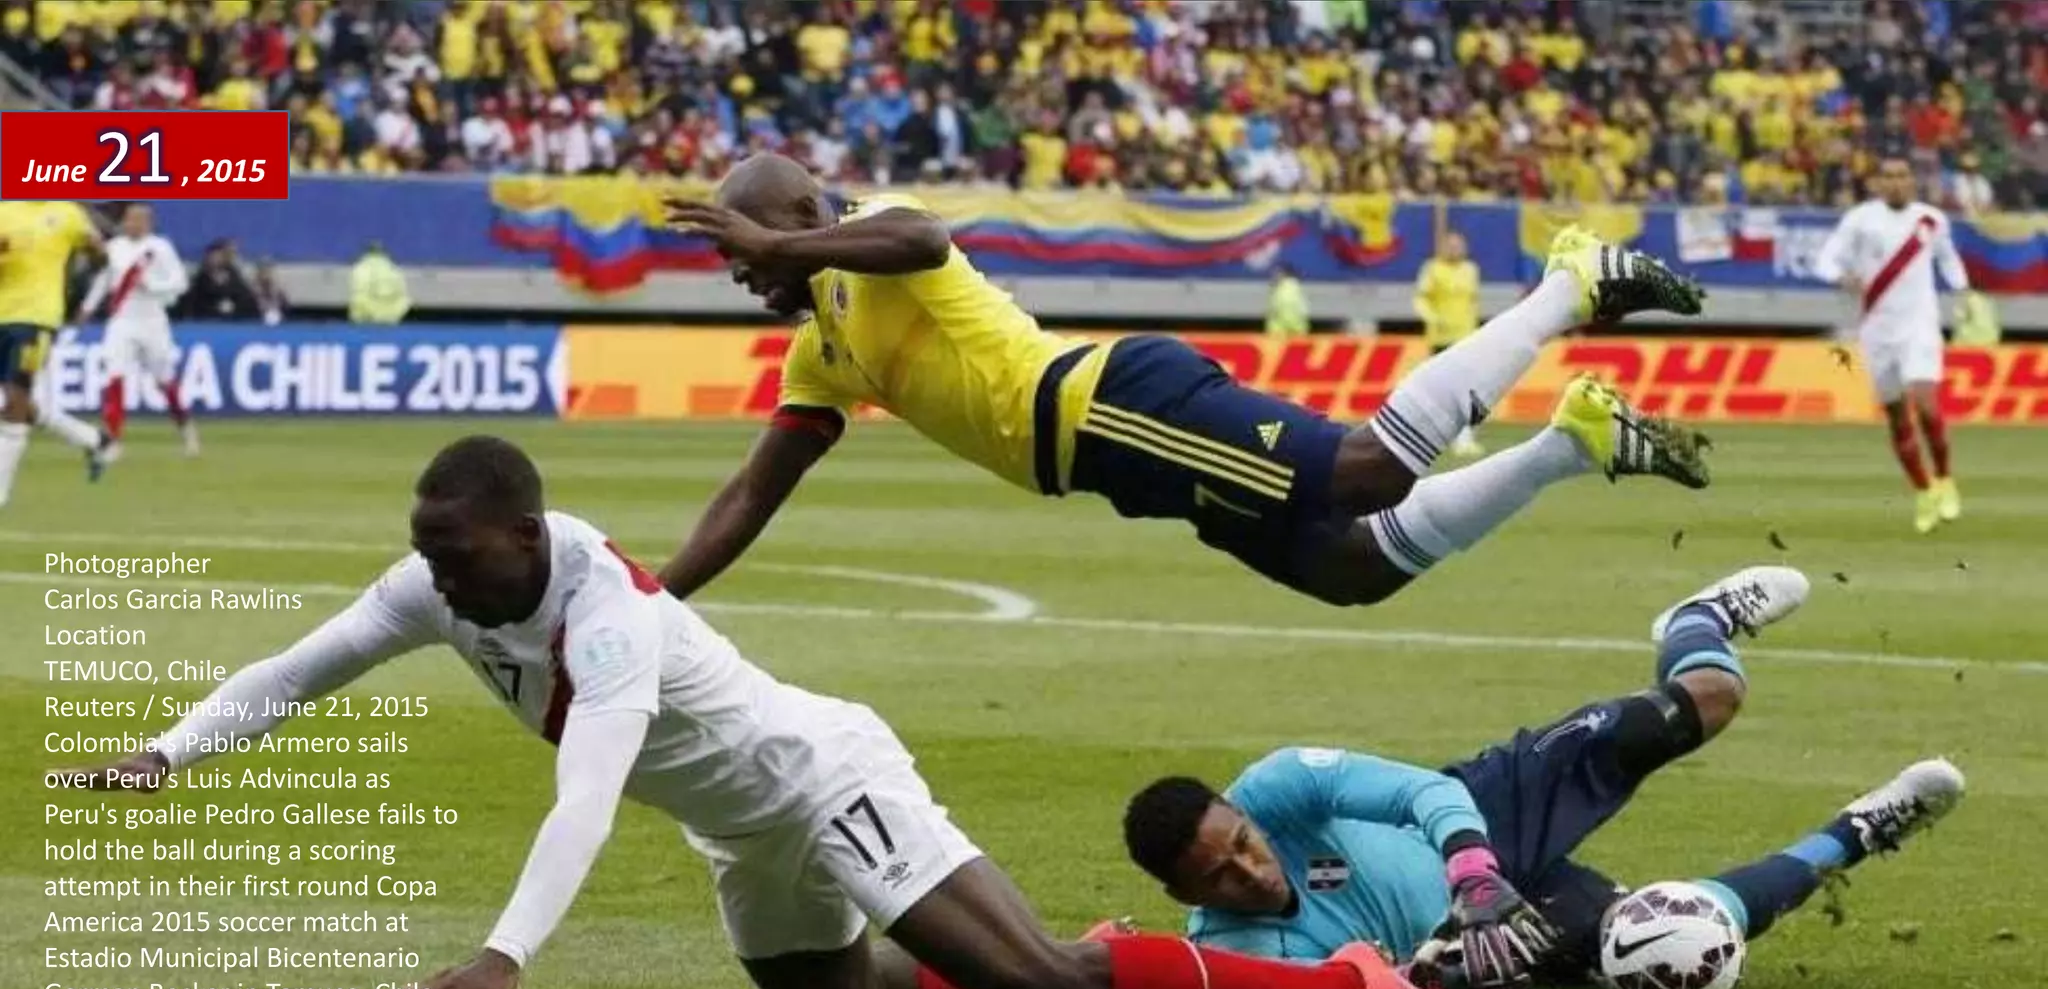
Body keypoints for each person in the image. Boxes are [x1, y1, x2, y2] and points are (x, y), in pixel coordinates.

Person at [71, 435, 1474, 989]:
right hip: (745, 828)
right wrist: (168, 755)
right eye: (425, 553)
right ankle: (1045, 943)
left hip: (823, 780)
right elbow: (297, 670)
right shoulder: (433, 584)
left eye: (453, 553)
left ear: (522, 535)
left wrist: (508, 951)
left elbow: (586, 793)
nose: (431, 578)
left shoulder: (607, 614)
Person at [660, 154, 1709, 612]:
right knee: (1352, 570)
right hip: (1114, 465)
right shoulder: (818, 352)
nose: (743, 270)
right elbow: (752, 494)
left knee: (1368, 472)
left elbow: (924, 235)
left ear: (801, 216)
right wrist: (656, 599)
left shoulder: (868, 235)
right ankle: (1569, 441)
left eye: (749, 246)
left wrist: (782, 243)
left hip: (1102, 403)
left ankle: (1568, 284)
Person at [1118, 566, 1965, 989]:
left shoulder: (1278, 786)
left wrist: (1476, 873)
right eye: (1219, 876)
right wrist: (1442, 980)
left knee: (1709, 701)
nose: (1250, 871)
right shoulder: (1232, 949)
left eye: (1244, 844)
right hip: (1479, 939)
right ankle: (1858, 831)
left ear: (1242, 816)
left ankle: (1695, 622)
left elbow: (1418, 792)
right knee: (1675, 946)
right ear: (1183, 896)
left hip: (1482, 811)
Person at [1815, 156, 1969, 534]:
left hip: (1920, 325)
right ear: (1878, 183)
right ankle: (1924, 490)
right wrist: (1842, 277)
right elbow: (1825, 260)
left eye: (1903, 176)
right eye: (1889, 177)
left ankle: (1946, 479)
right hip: (1877, 330)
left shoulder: (1930, 219)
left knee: (1927, 406)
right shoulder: (1860, 220)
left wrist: (1963, 293)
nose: (1897, 183)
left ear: (1912, 181)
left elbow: (1949, 260)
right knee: (1898, 416)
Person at [0, 198, 112, 503]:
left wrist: (79, 278)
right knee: (11, 401)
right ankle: (92, 438)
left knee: (15, 399)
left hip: (36, 319)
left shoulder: (67, 213)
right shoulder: (4, 212)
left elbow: (101, 253)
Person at [76, 203, 195, 459]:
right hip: (122, 321)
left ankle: (186, 429)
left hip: (152, 321)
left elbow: (180, 282)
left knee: (164, 381)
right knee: (114, 376)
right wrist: (87, 307)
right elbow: (103, 280)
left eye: (138, 220)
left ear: (148, 223)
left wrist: (151, 285)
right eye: (129, 219)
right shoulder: (115, 248)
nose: (132, 224)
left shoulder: (160, 248)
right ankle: (113, 441)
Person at [1414, 220, 1487, 459]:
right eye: (1451, 245)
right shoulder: (1432, 268)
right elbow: (1420, 300)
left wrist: (1477, 331)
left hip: (1466, 338)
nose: (1456, 249)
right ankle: (1437, 437)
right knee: (1443, 391)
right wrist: (1433, 318)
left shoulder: (1471, 270)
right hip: (1441, 338)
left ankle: (1464, 439)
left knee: (1468, 391)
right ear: (1443, 247)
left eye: (1459, 245)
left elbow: (1473, 303)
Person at [177, 240, 261, 321]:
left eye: (220, 255)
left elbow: (251, 311)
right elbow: (187, 308)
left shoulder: (238, 285)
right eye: (213, 256)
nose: (215, 259)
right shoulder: (197, 284)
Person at [348, 242, 411, 324]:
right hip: (391, 319)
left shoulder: (360, 269)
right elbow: (403, 297)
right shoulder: (395, 270)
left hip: (365, 322)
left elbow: (358, 295)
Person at [1265, 263, 1309, 337]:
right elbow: (1303, 310)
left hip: (1279, 330)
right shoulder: (1296, 287)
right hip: (1297, 328)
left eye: (1277, 273)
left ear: (1284, 274)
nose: (1274, 276)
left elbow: (1276, 309)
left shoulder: (1282, 289)